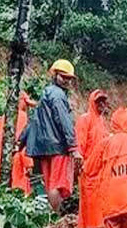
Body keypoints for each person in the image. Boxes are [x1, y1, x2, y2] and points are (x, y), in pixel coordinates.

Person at [19, 59, 82, 212]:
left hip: (44, 148)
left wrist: (20, 141)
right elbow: (64, 120)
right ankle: (54, 219)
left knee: (49, 184)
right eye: (63, 77)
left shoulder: (46, 93)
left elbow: (35, 120)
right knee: (57, 184)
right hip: (58, 147)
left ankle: (49, 220)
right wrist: (73, 146)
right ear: (54, 74)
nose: (66, 81)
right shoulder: (58, 95)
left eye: (68, 78)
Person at [76, 90, 110, 228]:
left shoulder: (102, 121)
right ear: (92, 102)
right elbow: (79, 143)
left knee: (102, 204)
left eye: (104, 101)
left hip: (102, 170)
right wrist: (81, 164)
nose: (102, 104)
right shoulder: (85, 119)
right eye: (99, 102)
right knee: (89, 205)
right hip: (89, 170)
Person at [11, 92, 39, 195]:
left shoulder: (8, 115)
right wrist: (29, 164)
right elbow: (22, 142)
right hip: (19, 158)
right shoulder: (21, 116)